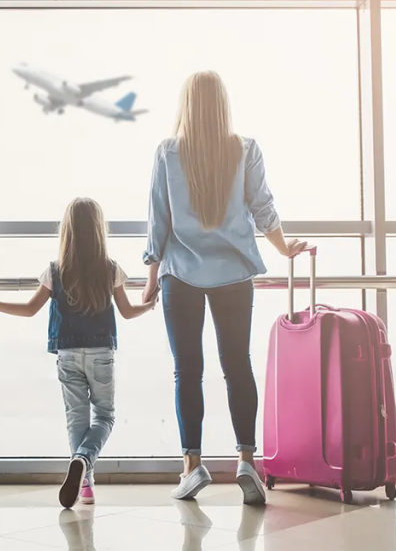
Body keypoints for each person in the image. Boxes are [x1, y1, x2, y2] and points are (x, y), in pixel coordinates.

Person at [140, 71, 306, 504]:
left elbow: (159, 222)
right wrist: (284, 247)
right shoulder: (245, 149)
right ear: (223, 105)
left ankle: (192, 468)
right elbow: (263, 207)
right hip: (234, 274)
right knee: (237, 366)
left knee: (187, 371)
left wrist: (151, 278)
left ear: (187, 105)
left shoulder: (167, 153)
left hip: (181, 275)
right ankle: (246, 461)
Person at [0, 198, 155, 508]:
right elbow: (127, 312)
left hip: (68, 353)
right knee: (105, 416)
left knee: (77, 420)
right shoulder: (111, 269)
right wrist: (151, 304)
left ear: (68, 231)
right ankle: (84, 461)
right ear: (99, 230)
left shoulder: (55, 270)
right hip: (101, 353)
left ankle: (85, 485)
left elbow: (30, 309)